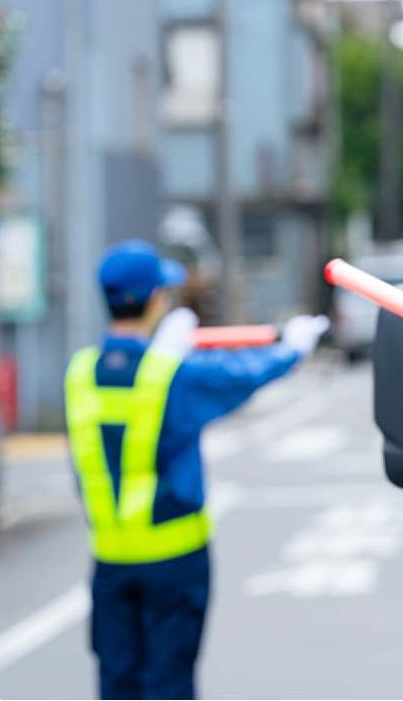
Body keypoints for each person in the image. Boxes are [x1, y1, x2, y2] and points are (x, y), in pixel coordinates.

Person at [63, 239, 329, 700]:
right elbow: (240, 374)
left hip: (109, 562)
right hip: (175, 561)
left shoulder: (79, 373)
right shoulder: (171, 375)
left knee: (117, 685)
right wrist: (293, 349)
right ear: (155, 299)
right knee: (169, 685)